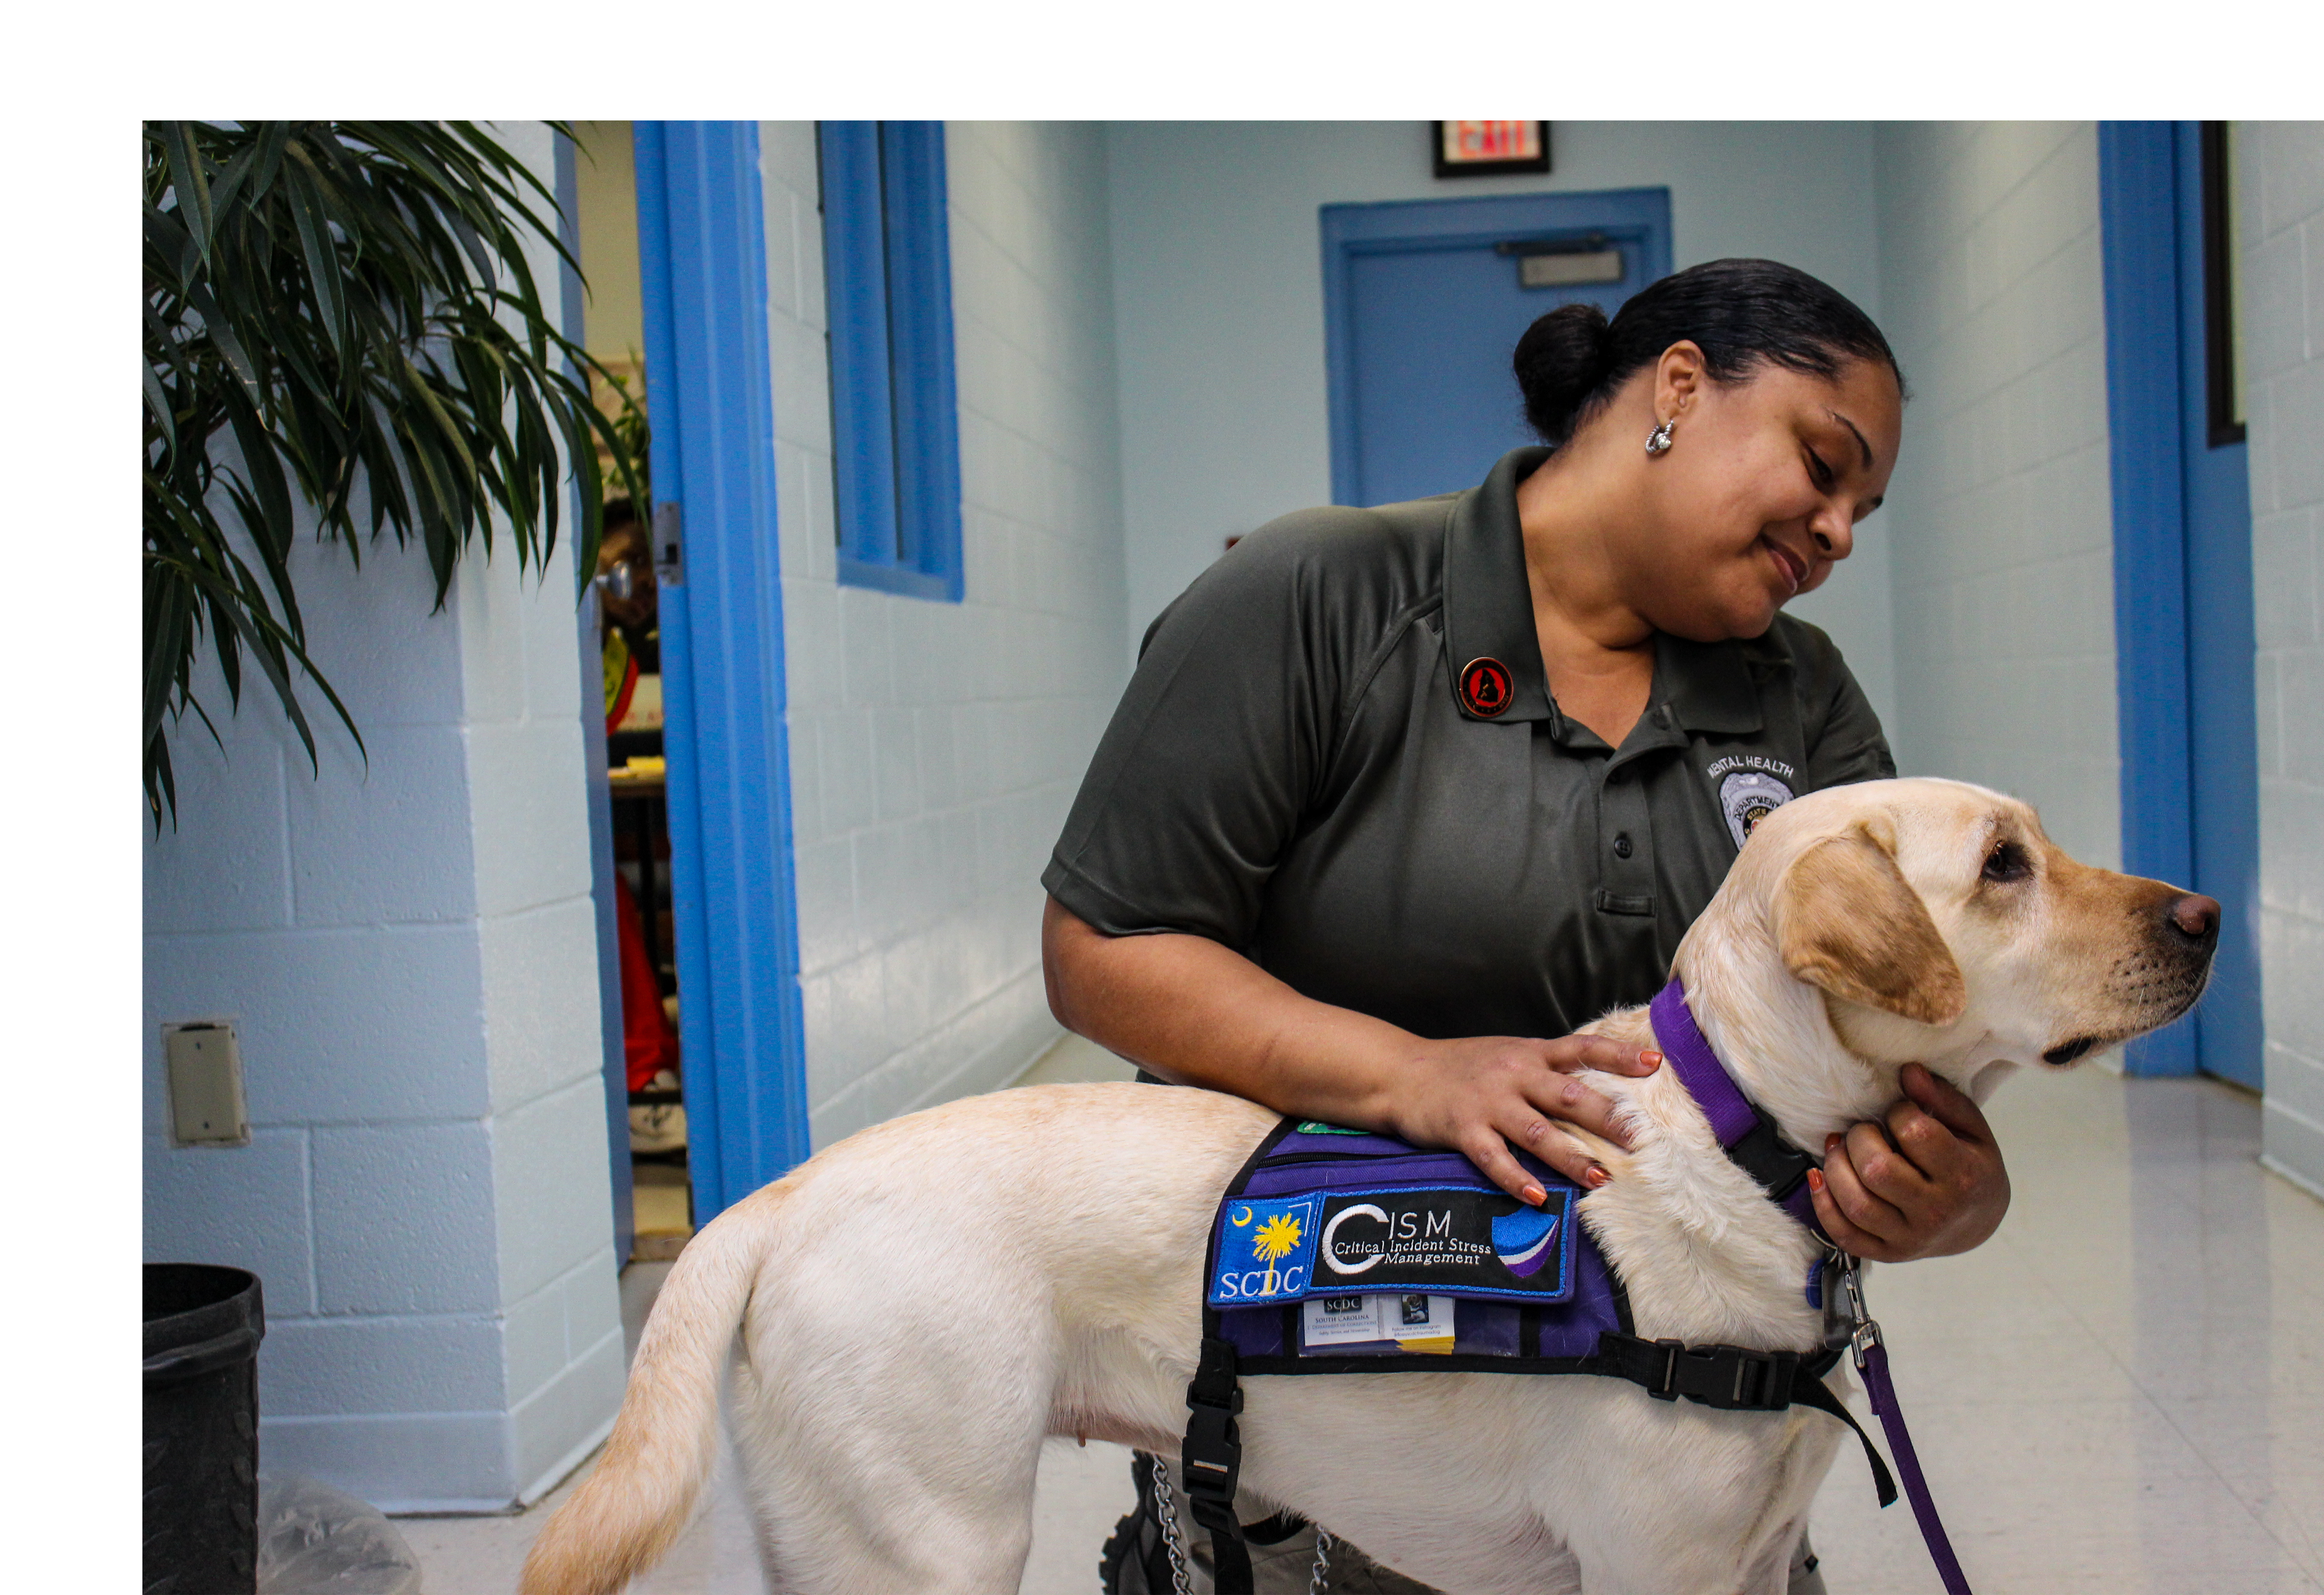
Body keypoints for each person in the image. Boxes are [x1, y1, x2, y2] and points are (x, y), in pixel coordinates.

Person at [1042, 260, 2012, 1594]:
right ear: (1677, 386)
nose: (1841, 530)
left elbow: (1879, 1032)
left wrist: (1948, 1189)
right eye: (1822, 463)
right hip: (1333, 1439)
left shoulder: (1802, 701)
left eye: (1865, 510)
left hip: (1666, 1476)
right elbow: (1105, 948)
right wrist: (1410, 1073)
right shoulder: (1322, 598)